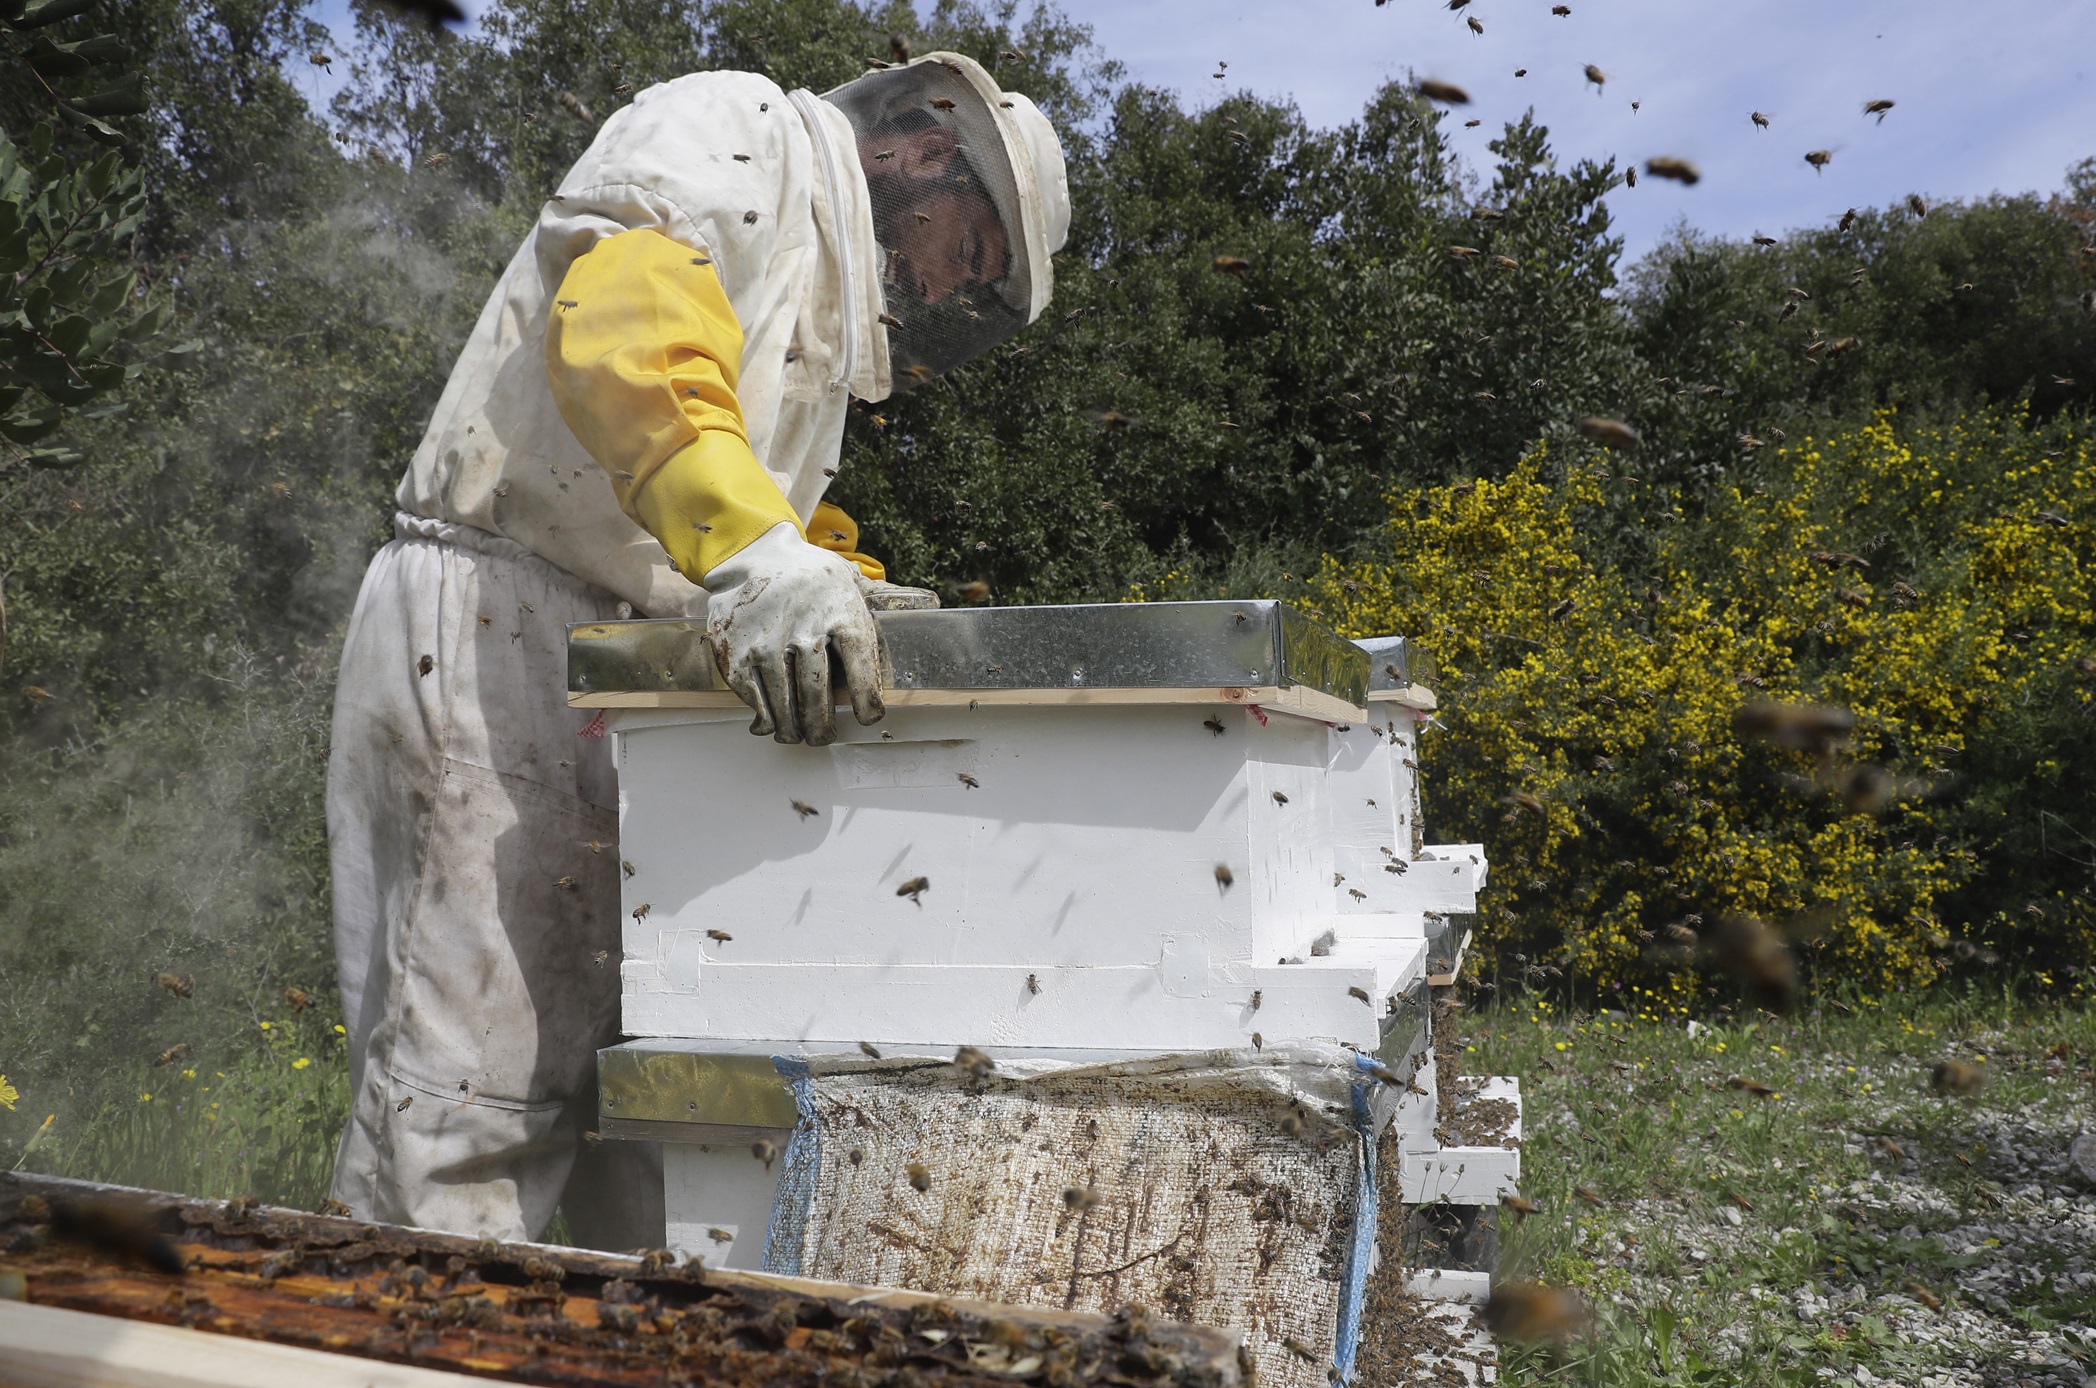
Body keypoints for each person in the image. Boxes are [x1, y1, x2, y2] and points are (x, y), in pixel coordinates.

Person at [324, 52, 1068, 1246]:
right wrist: (758, 556)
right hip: (498, 622)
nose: (943, 291)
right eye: (967, 256)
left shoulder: (812, 293)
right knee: (474, 1087)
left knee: (647, 1095)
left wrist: (827, 568)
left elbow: (735, 474)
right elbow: (628, 329)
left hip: (621, 662)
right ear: (927, 157)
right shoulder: (743, 128)